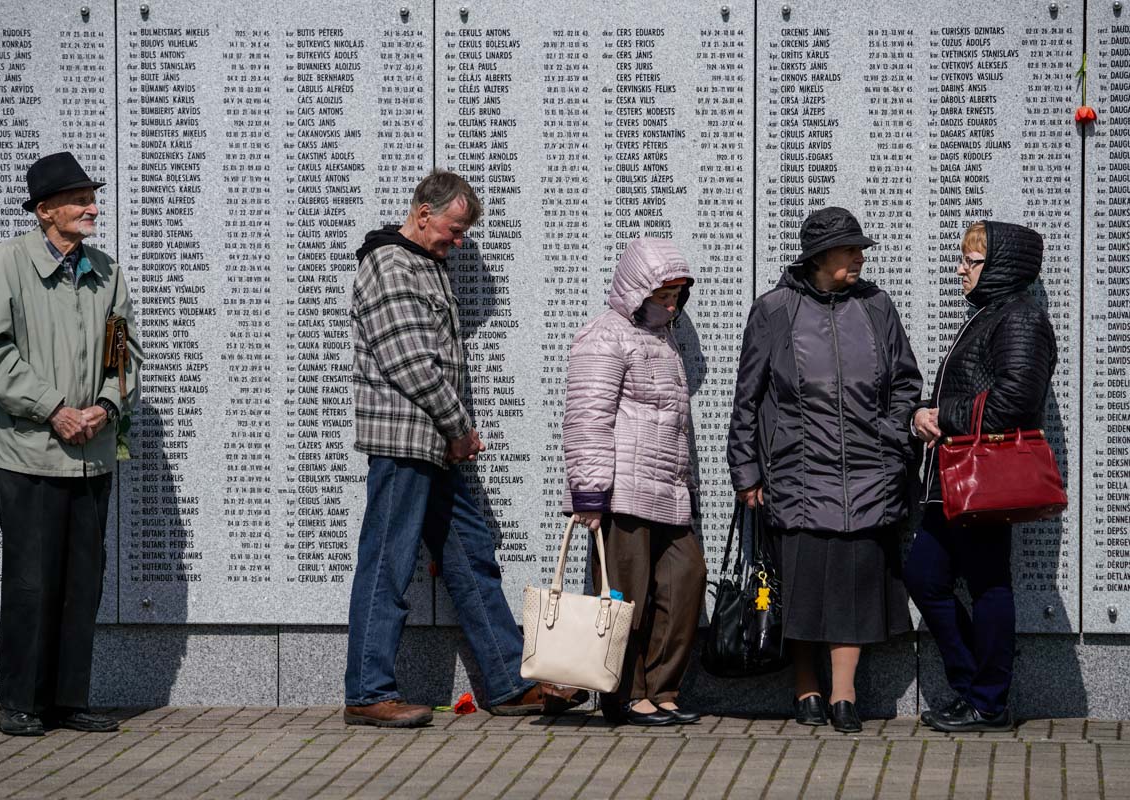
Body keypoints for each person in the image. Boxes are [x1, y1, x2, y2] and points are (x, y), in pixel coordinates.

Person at [344, 171, 553, 727]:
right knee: (387, 562)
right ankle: (367, 692)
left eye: (463, 234)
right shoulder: (390, 265)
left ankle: (508, 682)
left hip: (435, 444)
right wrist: (461, 427)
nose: (458, 242)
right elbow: (411, 362)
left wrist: (453, 434)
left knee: (471, 557)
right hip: (406, 442)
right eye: (454, 230)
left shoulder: (426, 267)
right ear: (421, 213)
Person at [727, 207, 922, 733]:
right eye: (850, 249)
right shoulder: (774, 310)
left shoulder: (877, 306)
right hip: (797, 477)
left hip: (868, 476)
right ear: (819, 257)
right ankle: (805, 688)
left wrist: (891, 434)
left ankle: (844, 695)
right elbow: (748, 398)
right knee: (803, 591)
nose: (860, 257)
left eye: (861, 248)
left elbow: (906, 381)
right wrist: (746, 471)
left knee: (855, 593)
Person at [0, 151, 141, 736]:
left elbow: (124, 353)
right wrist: (55, 410)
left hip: (93, 456)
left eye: (91, 196)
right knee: (30, 582)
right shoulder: (8, 263)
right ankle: (19, 702)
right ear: (45, 211)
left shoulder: (106, 271)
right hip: (29, 454)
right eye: (77, 198)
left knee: (81, 584)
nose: (92, 206)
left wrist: (107, 405)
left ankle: (69, 700)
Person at [905, 221, 1057, 733]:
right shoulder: (991, 318)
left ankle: (989, 701)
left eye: (970, 262)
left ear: (1000, 268)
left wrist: (941, 416)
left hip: (982, 481)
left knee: (989, 583)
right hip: (951, 481)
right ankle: (976, 688)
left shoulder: (1020, 320)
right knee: (925, 577)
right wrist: (928, 415)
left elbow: (1015, 401)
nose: (960, 270)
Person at [563, 238, 707, 727]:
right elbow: (588, 417)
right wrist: (588, 492)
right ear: (635, 289)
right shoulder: (605, 335)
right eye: (661, 295)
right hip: (621, 489)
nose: (670, 305)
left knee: (686, 581)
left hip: (667, 488)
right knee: (626, 598)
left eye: (676, 296)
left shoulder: (664, 340)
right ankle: (623, 695)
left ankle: (661, 689)